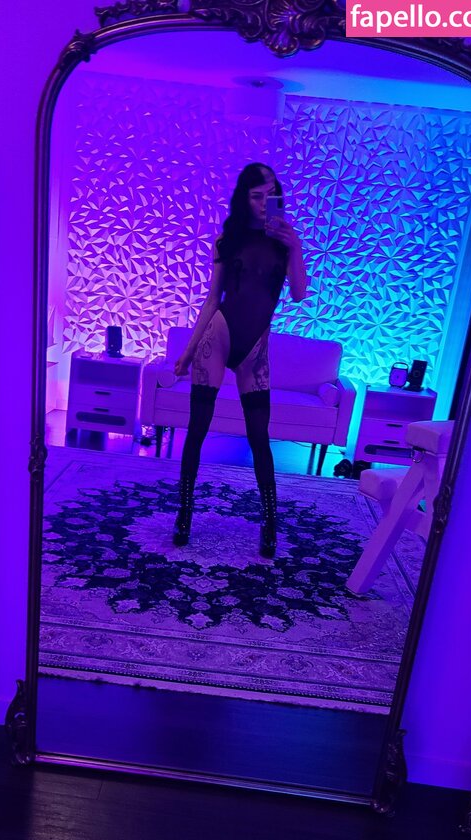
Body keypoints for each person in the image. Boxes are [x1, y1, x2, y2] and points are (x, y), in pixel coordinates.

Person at [172, 163, 307, 558]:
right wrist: (188, 351)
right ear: (243, 199)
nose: (265, 203)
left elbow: (299, 293)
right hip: (219, 335)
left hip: (255, 347)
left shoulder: (284, 242)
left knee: (259, 437)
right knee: (197, 430)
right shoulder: (226, 241)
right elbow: (212, 299)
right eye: (256, 195)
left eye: (271, 194)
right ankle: (184, 514)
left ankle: (271, 523)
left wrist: (296, 247)